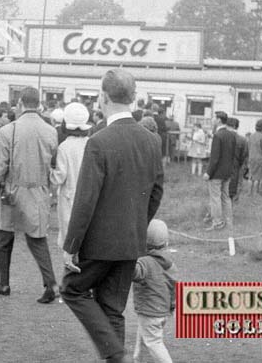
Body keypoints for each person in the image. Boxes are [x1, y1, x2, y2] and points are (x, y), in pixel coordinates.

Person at [61, 69, 164, 363]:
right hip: (131, 242)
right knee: (112, 309)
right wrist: (136, 224)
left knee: (71, 289)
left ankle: (116, 355)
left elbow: (85, 200)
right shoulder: (151, 141)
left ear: (103, 97)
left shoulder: (98, 141)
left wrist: (71, 246)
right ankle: (116, 358)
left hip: (99, 243)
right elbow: (156, 192)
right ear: (132, 98)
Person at [0, 86, 60, 304]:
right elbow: (52, 161)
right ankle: (51, 283)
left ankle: (4, 283)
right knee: (37, 239)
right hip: (39, 190)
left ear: (19, 104)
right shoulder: (50, 131)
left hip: (13, 191)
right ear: (38, 104)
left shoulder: (8, 130)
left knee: (5, 237)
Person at [132, 219, 178, 363]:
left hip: (149, 311)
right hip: (162, 311)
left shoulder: (144, 262)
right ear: (166, 243)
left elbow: (134, 273)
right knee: (145, 338)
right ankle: (138, 359)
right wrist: (172, 306)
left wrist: (127, 257)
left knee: (153, 343)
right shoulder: (169, 263)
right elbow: (174, 286)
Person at [50, 102, 91, 248]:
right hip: (88, 195)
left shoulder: (65, 147)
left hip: (69, 195)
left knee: (69, 237)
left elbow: (60, 176)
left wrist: (49, 172)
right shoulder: (91, 143)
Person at [203, 111, 236, 231]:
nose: (212, 120)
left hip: (216, 173)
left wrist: (208, 172)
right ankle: (229, 222)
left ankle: (217, 222)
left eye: (213, 118)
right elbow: (233, 155)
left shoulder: (217, 135)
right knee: (226, 197)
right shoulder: (232, 135)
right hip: (227, 172)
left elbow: (215, 157)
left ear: (218, 120)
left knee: (215, 198)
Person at [227, 117, 248, 203]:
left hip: (223, 166)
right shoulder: (242, 139)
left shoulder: (223, 137)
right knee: (236, 184)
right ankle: (233, 201)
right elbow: (244, 154)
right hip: (236, 165)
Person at [248, 119, 262, 195]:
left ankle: (249, 192)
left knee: (251, 175)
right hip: (260, 158)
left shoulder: (251, 136)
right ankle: (255, 192)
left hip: (251, 157)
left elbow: (248, 147)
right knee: (258, 177)